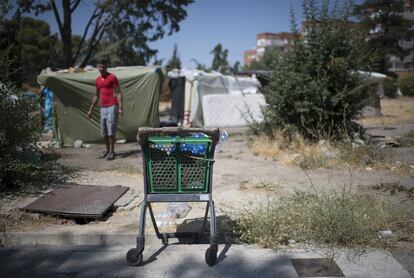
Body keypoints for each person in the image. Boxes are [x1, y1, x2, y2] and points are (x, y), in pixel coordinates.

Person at [87, 60, 124, 160]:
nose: (101, 68)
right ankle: (107, 150)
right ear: (97, 67)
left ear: (106, 67)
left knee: (111, 130)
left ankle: (112, 152)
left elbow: (118, 92)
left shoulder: (112, 77)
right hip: (103, 107)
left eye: (103, 66)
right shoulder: (98, 79)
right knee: (104, 131)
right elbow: (96, 95)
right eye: (100, 67)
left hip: (112, 106)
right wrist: (90, 110)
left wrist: (120, 107)